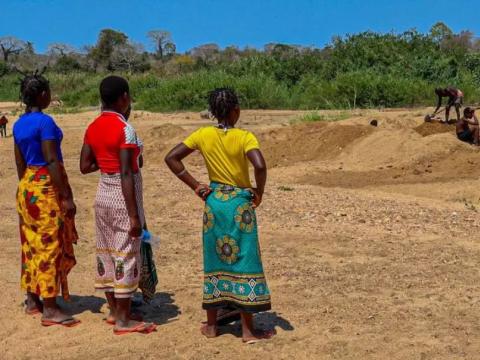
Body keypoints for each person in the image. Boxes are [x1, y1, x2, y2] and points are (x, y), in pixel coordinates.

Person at [165, 87, 274, 344]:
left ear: (213, 112)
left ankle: (212, 326)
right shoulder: (245, 137)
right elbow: (259, 165)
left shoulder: (203, 134)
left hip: (214, 203)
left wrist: (195, 185)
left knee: (214, 259)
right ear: (237, 110)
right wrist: (259, 192)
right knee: (245, 260)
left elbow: (172, 158)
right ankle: (248, 331)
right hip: (239, 204)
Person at [80, 75, 156, 335]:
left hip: (102, 194)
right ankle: (124, 320)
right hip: (123, 197)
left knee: (108, 250)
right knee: (125, 252)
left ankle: (114, 310)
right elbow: (127, 172)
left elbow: (85, 166)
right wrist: (134, 216)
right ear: (124, 97)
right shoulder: (126, 129)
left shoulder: (93, 126)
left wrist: (107, 160)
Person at [13, 72, 79, 327]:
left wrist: (24, 189)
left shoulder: (19, 123)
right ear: (43, 95)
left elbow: (19, 161)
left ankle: (33, 299)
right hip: (45, 187)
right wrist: (66, 196)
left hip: (28, 185)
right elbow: (52, 159)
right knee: (49, 245)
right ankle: (50, 308)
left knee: (31, 243)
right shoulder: (45, 122)